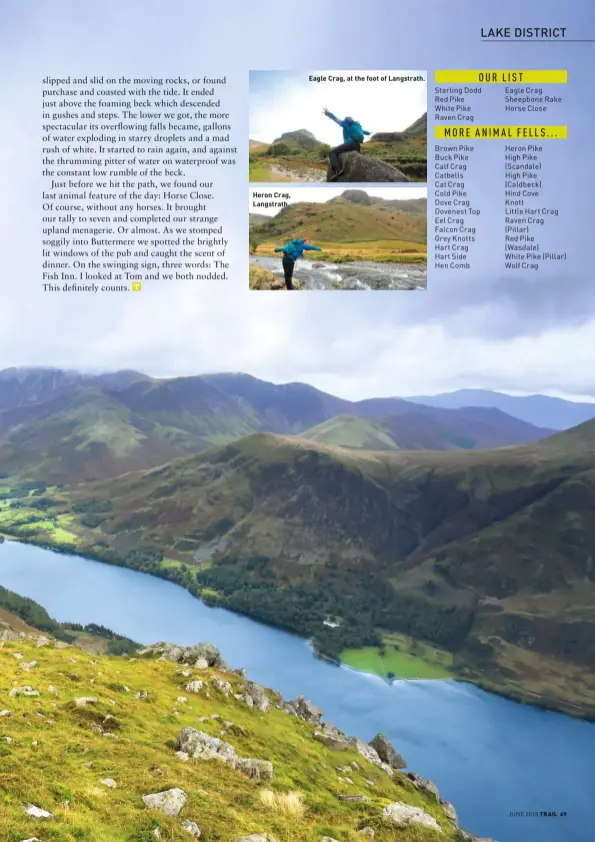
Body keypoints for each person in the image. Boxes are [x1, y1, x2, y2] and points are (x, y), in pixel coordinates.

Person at [323, 106, 371, 180]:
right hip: (357, 146)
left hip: (350, 144)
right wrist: (368, 133)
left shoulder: (345, 124)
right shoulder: (355, 126)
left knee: (332, 153)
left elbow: (335, 118)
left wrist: (327, 113)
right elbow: (364, 132)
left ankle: (338, 171)